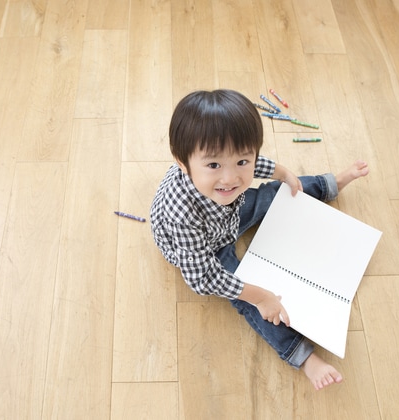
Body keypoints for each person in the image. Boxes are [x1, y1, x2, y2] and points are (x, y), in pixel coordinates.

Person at [149, 89, 369, 390]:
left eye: (241, 161)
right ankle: (303, 356)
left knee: (278, 192)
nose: (230, 178)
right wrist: (260, 296)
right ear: (182, 163)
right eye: (213, 166)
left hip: (229, 215)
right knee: (250, 300)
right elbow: (202, 279)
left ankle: (329, 184)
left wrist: (285, 173)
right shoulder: (181, 213)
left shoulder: (233, 174)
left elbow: (255, 163)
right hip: (205, 250)